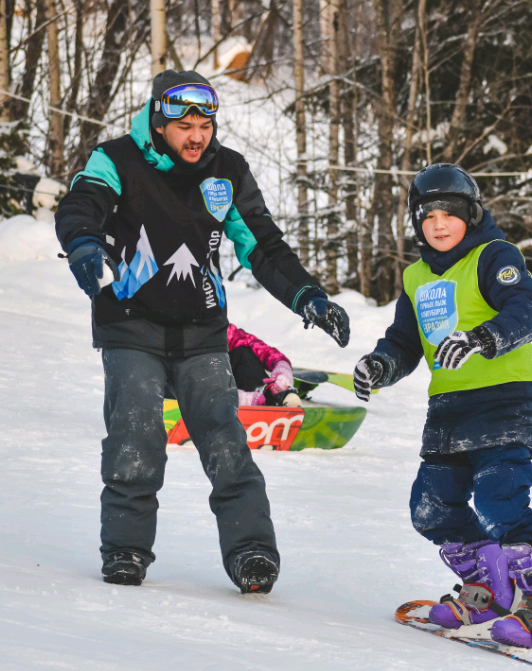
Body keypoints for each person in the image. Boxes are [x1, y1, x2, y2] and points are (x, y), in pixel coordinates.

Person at [54, 70, 349, 593]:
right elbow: (83, 205)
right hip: (130, 322)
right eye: (186, 125)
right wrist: (83, 243)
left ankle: (252, 552)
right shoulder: (116, 158)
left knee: (225, 440)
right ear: (159, 122)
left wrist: (308, 295)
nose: (197, 136)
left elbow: (262, 243)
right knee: (135, 434)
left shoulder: (227, 171)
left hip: (202, 331)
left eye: (206, 124)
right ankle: (125, 548)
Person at [351, 164, 532, 648]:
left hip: (504, 402)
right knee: (431, 508)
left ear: (470, 215)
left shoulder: (495, 256)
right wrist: (381, 366)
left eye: (450, 213)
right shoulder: (415, 276)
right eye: (428, 215)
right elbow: (404, 342)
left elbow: (528, 310)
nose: (439, 223)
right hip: (447, 409)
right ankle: (489, 593)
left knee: (500, 502)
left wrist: (484, 337)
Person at [228, 323, 301, 408]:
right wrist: (240, 398)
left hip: (238, 387)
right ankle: (251, 401)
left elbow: (256, 346)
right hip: (218, 396)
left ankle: (267, 395)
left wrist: (281, 366)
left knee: (242, 351)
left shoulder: (223, 330)